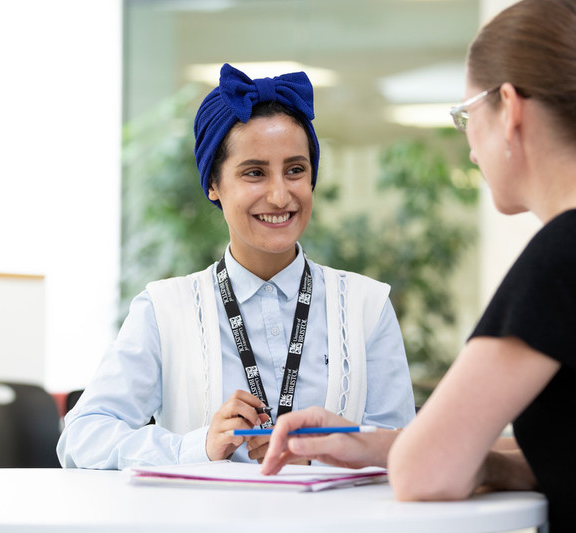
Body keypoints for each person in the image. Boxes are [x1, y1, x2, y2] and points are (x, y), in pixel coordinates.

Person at [260, 1, 576, 532]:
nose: (472, 149)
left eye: (465, 117)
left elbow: (424, 474)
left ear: (509, 107)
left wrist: (419, 455)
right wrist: (372, 442)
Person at [56, 63, 415, 468]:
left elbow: (403, 446)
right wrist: (198, 448)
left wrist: (322, 453)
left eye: (295, 170)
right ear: (213, 184)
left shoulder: (367, 306)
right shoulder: (164, 309)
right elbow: (83, 436)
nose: (280, 196)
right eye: (254, 173)